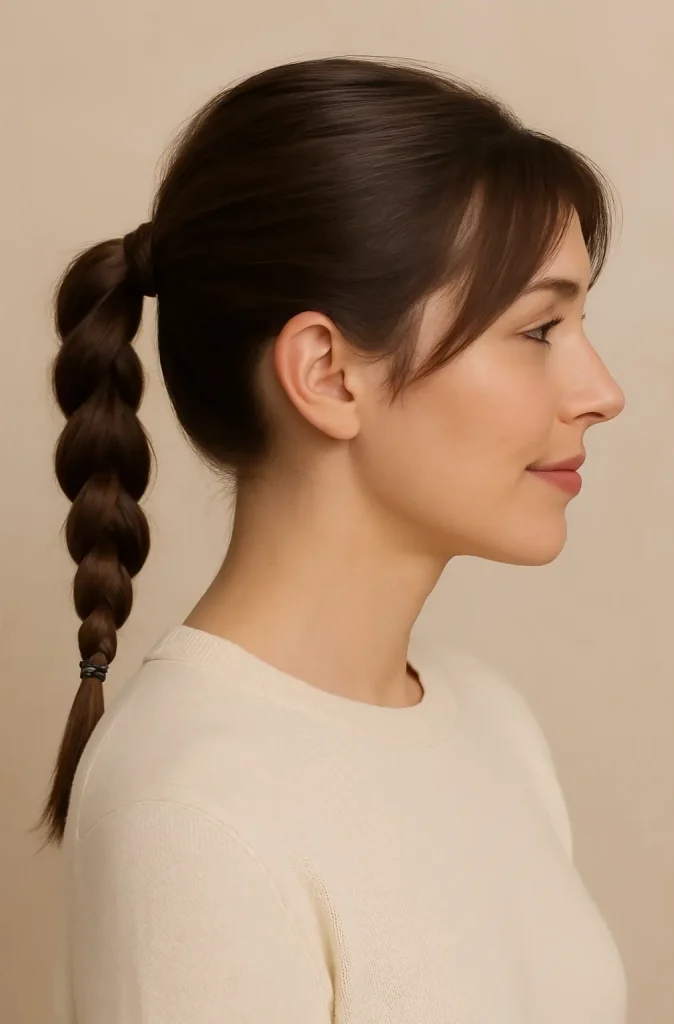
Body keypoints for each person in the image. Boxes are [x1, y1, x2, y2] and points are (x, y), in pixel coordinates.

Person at [44, 56, 627, 1024]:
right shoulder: (190, 815)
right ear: (326, 373)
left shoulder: (488, 719)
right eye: (537, 330)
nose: (600, 391)